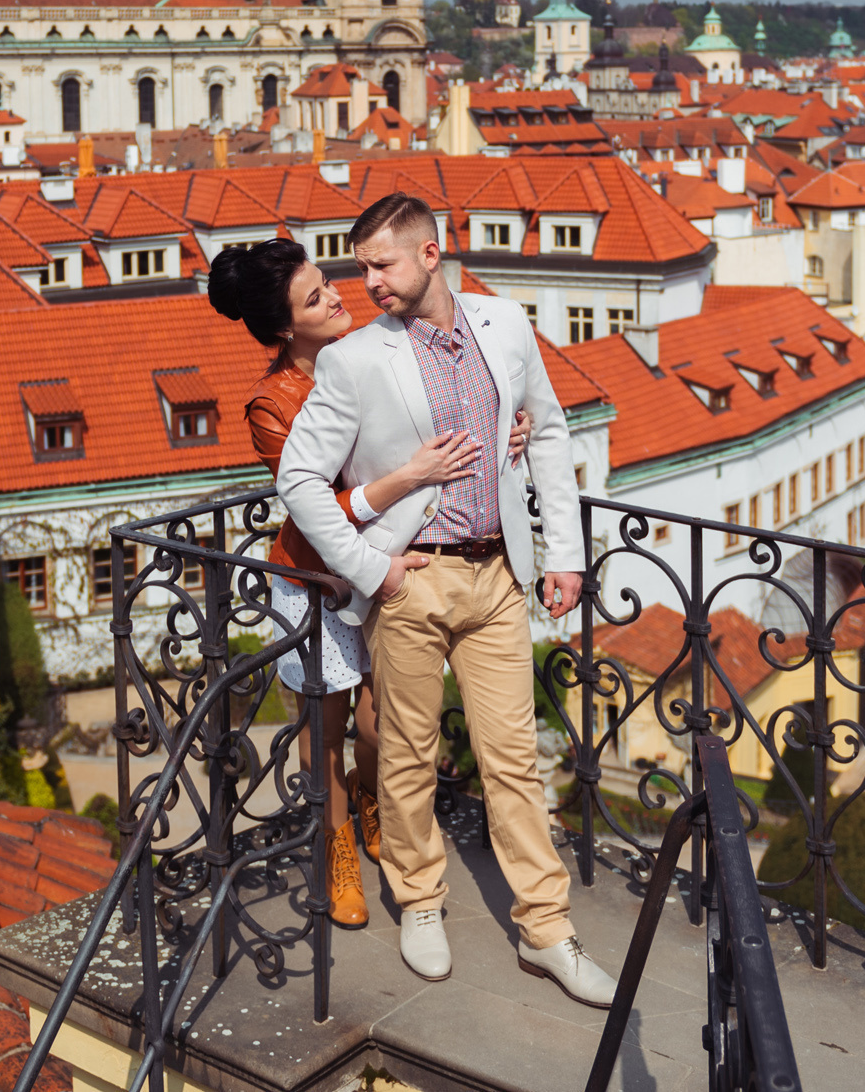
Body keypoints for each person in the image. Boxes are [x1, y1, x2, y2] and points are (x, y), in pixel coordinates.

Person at [275, 194, 615, 1008]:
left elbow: (552, 430)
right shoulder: (355, 358)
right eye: (360, 267)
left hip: (499, 575)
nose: (369, 282)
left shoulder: (504, 323)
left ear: (432, 254)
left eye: (381, 264)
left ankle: (548, 930)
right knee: (405, 754)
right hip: (414, 575)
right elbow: (297, 477)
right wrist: (369, 567)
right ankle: (420, 900)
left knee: (515, 759)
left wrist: (565, 553)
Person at [208, 238, 531, 931]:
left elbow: (442, 418)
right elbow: (316, 508)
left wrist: (508, 427)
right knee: (322, 732)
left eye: (327, 282)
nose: (338, 297)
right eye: (316, 296)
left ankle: (373, 797)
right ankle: (337, 845)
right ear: (287, 327)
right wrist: (405, 478)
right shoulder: (273, 402)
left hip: (391, 561)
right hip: (318, 579)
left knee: (386, 724)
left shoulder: (375, 352)